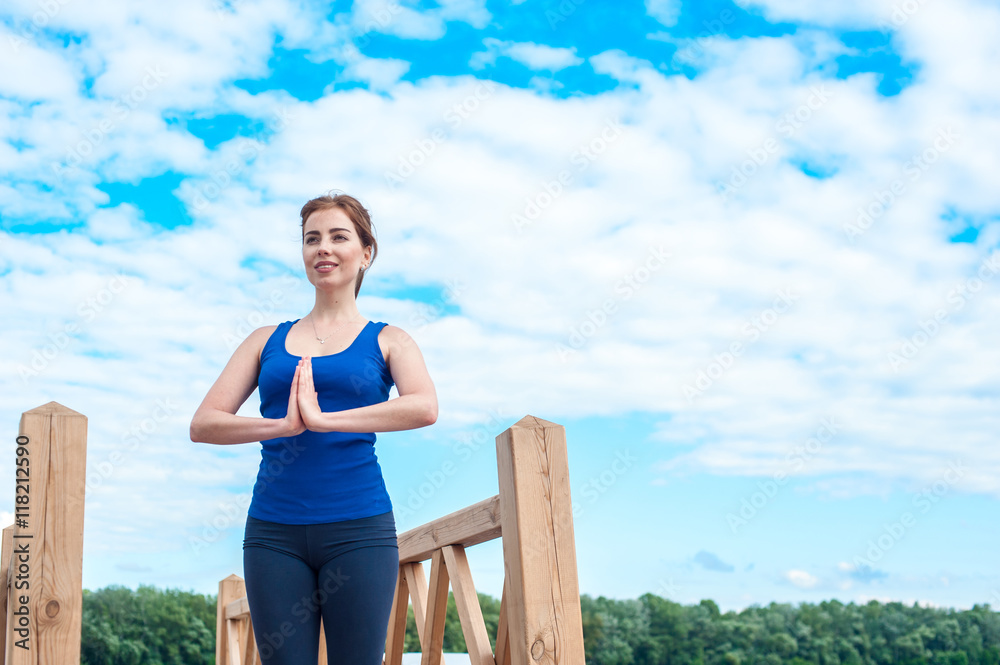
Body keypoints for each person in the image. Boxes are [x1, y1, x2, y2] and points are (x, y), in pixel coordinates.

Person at [189, 192, 438, 665]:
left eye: (338, 237)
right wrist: (281, 424)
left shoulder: (389, 339)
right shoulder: (265, 339)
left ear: (366, 253)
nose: (323, 247)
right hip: (273, 533)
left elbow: (424, 407)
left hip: (359, 530)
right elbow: (204, 423)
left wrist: (323, 420)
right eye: (312, 239)